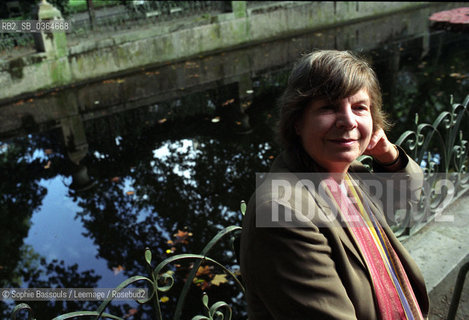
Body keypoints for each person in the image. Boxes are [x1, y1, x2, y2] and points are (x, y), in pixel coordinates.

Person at [240, 50, 429, 320]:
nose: (349, 121)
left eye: (360, 108)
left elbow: (410, 195)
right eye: (328, 107)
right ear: (297, 121)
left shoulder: (344, 173)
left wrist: (388, 153)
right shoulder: (282, 213)